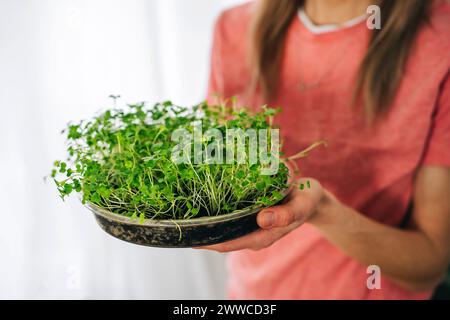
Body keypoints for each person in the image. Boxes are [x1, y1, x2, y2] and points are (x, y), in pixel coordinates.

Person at [199, 0, 450, 299]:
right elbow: (217, 172)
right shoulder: (235, 26)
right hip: (252, 293)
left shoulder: (439, 39)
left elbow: (430, 263)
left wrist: (322, 210)